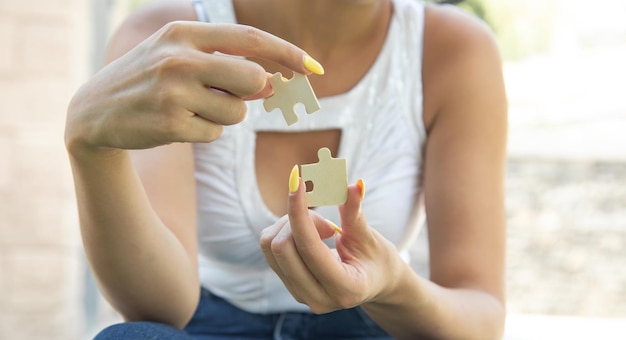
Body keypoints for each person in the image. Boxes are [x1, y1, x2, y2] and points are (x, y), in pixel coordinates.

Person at [65, 0, 508, 338]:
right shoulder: (167, 41)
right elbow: (160, 309)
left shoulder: (454, 49)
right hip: (206, 321)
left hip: (384, 322)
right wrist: (92, 150)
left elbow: (481, 314)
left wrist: (392, 286)